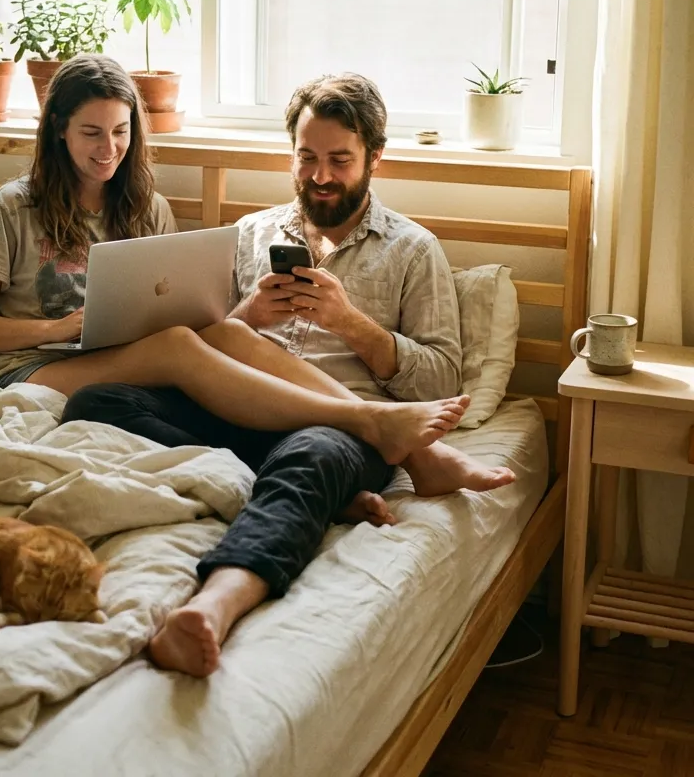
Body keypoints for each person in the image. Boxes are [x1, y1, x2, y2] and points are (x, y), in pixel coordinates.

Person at [61, 72, 516, 677]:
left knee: (314, 456)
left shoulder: (412, 249)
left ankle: (212, 608)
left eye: (339, 160)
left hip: (353, 429)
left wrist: (352, 323)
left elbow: (437, 384)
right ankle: (316, 492)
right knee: (97, 400)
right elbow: (204, 344)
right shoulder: (251, 234)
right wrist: (247, 314)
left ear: (375, 158)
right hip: (243, 409)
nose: (320, 176)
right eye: (306, 158)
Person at [0, 55, 472, 468]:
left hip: (130, 370)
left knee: (213, 340)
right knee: (179, 347)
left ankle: (347, 436)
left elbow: (205, 333)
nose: (109, 148)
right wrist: (54, 326)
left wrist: (321, 321)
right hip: (34, 371)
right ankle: (372, 423)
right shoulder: (15, 206)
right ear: (58, 128)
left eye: (122, 131)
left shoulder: (148, 208)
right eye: (92, 132)